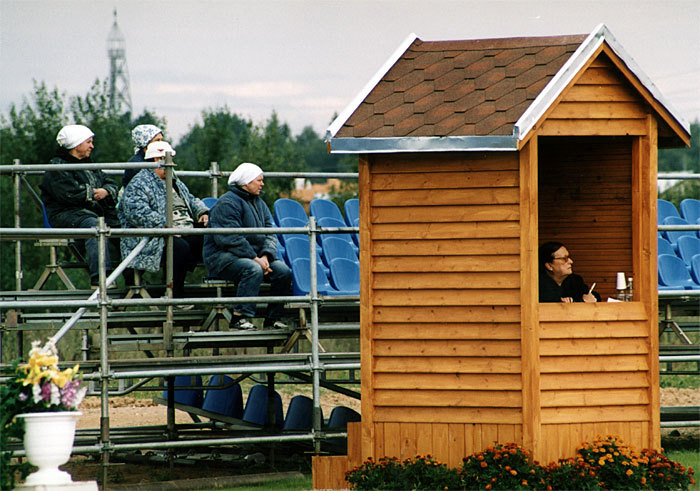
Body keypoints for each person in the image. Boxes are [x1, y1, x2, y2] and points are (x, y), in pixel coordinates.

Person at [203, 162, 292, 330]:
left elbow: (269, 232)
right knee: (252, 269)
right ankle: (239, 317)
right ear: (246, 182)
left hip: (255, 256)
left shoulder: (259, 202)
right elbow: (229, 238)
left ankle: (274, 318)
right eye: (258, 180)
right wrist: (255, 258)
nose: (262, 184)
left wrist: (265, 256)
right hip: (222, 257)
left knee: (283, 272)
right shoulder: (227, 203)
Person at [118, 141, 209, 304]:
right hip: (153, 237)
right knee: (179, 247)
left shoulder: (174, 181)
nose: (172, 164)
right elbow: (137, 212)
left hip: (183, 227)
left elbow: (191, 199)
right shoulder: (139, 183)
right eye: (169, 159)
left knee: (209, 238)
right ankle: (175, 295)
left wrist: (202, 212)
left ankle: (216, 292)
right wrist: (165, 226)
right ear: (156, 160)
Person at [40, 124, 120, 287]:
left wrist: (105, 191)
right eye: (88, 142)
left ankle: (132, 278)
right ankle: (101, 278)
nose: (92, 146)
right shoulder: (57, 168)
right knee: (95, 227)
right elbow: (69, 194)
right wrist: (93, 193)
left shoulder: (88, 165)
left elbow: (110, 183)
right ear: (77, 145)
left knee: (122, 228)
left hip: (88, 212)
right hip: (66, 215)